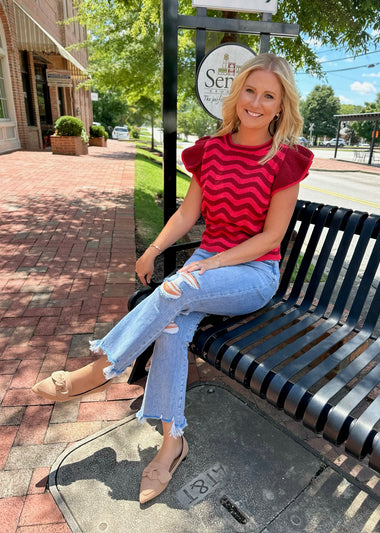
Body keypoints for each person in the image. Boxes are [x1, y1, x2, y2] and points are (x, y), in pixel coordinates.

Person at [32, 53, 313, 504]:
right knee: (168, 332)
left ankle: (101, 369)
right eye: (250, 90)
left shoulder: (285, 160)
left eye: (269, 96)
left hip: (253, 272)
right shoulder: (212, 150)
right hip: (205, 264)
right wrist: (154, 248)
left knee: (176, 288)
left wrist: (213, 264)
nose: (256, 103)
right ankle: (171, 445)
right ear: (237, 92)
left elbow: (271, 238)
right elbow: (188, 212)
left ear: (281, 106)